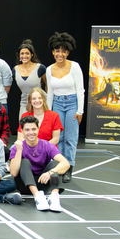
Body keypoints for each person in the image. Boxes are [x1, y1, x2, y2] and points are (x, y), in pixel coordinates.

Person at [46, 32, 85, 183]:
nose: (60, 54)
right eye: (57, 50)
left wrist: (79, 110)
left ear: (68, 52)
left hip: (72, 103)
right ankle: (59, 166)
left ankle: (69, 168)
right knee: (59, 137)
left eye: (63, 51)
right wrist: (49, 111)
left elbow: (80, 90)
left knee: (71, 138)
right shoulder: (49, 69)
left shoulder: (74, 66)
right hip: (56, 103)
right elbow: (50, 92)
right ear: (53, 52)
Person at [9, 116, 70, 212]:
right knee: (24, 161)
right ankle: (38, 197)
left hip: (43, 182)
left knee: (55, 163)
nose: (31, 132)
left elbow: (66, 163)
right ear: (22, 131)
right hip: (24, 185)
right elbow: (13, 173)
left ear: (38, 129)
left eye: (33, 129)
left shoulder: (47, 145)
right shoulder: (17, 147)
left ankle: (54, 197)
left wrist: (50, 172)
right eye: (27, 130)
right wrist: (19, 151)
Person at [13, 41, 47, 120]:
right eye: (22, 53)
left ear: (32, 54)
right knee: (24, 125)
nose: (24, 56)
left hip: (39, 101)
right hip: (25, 101)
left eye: (27, 53)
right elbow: (22, 87)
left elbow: (47, 85)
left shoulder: (40, 68)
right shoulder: (15, 69)